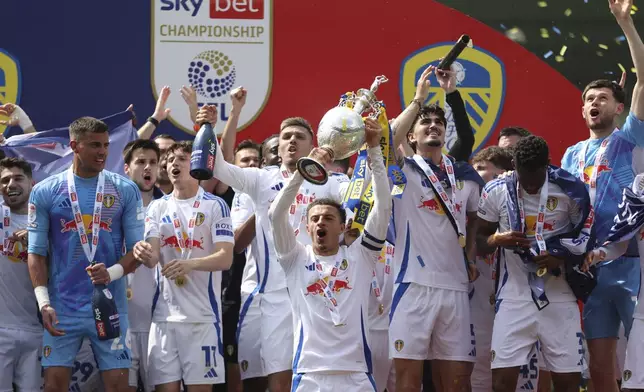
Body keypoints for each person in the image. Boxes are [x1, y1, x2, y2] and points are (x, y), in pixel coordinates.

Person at [200, 104, 349, 392]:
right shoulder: (261, 178)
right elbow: (217, 167)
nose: (291, 141)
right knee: (279, 379)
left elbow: (364, 200)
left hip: (318, 290)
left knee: (317, 376)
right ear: (278, 147)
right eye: (286, 137)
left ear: (313, 146)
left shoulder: (332, 182)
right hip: (276, 296)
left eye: (299, 137)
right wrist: (206, 126)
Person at [268, 117, 391, 390]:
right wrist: (304, 170)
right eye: (315, 219)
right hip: (309, 375)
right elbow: (276, 214)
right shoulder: (294, 259)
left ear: (343, 226)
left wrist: (374, 152)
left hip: (356, 374)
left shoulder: (361, 256)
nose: (320, 222)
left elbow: (383, 207)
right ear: (307, 226)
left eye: (328, 218)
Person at [559, 1, 644, 390]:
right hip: (591, 270)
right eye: (589, 100)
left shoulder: (629, 139)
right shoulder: (572, 154)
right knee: (599, 367)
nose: (594, 104)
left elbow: (643, 78)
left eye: (602, 98)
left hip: (630, 263)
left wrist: (625, 24)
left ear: (620, 107)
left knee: (640, 361)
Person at [27, 116, 144, 392]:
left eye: (105, 145)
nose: (103, 151)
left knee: (118, 386)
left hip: (110, 306)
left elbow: (136, 251)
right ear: (74, 146)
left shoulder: (125, 189)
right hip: (62, 308)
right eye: (94, 145)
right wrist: (44, 303)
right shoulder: (45, 191)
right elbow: (36, 253)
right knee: (54, 386)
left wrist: (111, 273)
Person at [389, 65, 484, 392]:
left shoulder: (463, 175)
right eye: (425, 123)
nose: (434, 126)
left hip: (455, 286)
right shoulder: (403, 172)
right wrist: (418, 101)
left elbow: (475, 220)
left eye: (439, 123)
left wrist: (470, 255)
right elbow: (388, 140)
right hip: (412, 286)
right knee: (408, 381)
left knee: (457, 382)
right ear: (411, 136)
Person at [477, 135, 590, 392]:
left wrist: (561, 255)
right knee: (501, 383)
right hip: (514, 297)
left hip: (559, 296)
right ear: (514, 164)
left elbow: (584, 237)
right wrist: (497, 238)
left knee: (568, 383)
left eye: (536, 180)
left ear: (548, 165)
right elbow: (480, 242)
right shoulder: (496, 190)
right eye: (524, 178)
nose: (529, 186)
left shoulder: (570, 189)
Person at [133, 140, 234, 391]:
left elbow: (225, 258)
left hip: (202, 318)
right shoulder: (157, 207)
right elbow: (153, 257)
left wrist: (191, 264)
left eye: (182, 159)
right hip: (163, 319)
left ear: (197, 165)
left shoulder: (215, 205)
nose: (174, 164)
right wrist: (141, 251)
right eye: (170, 160)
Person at [585, 173, 644, 392]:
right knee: (633, 387)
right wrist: (600, 253)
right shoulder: (640, 187)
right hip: (642, 315)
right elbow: (621, 242)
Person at [469, 147, 513, 392]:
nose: (475, 175)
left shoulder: (520, 205)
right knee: (479, 372)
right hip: (478, 300)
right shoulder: (469, 206)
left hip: (515, 300)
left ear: (501, 175)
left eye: (481, 169)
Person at [122, 139, 162, 392]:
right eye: (140, 162)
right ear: (126, 168)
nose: (147, 168)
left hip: (159, 324)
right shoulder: (110, 208)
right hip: (121, 323)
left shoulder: (170, 207)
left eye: (153, 163)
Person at [0, 157, 40, 392]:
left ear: (32, 183)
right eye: (4, 180)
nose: (10, 184)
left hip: (36, 330)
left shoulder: (47, 224)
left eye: (18, 178)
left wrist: (38, 241)